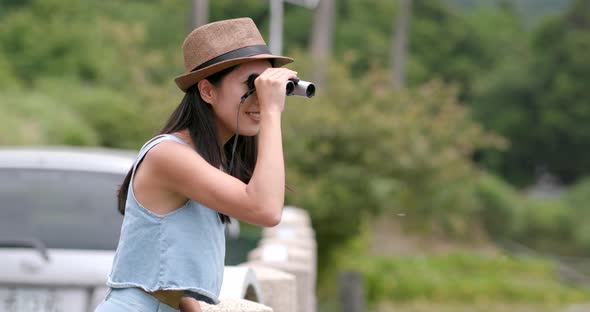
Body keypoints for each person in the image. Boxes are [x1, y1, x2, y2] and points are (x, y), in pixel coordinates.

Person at [95, 17, 297, 312]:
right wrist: (272, 112)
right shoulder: (169, 154)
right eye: (252, 84)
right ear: (207, 91)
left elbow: (172, 274)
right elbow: (266, 209)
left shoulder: (211, 158)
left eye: (265, 85)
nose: (261, 97)